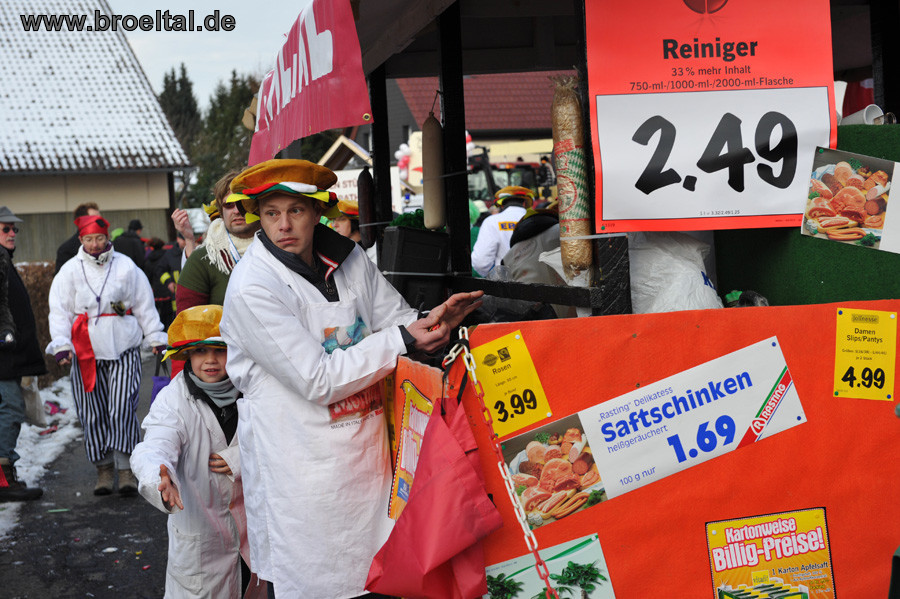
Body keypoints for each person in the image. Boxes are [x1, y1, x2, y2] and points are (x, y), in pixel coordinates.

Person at [219, 159, 483, 598]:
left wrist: (430, 326)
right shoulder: (253, 286)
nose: (283, 225)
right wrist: (402, 338)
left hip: (367, 456)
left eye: (295, 211)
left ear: (316, 211)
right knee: (315, 580)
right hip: (299, 467)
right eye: (271, 213)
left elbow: (395, 320)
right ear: (258, 217)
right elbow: (317, 379)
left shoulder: (349, 258)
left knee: (379, 575)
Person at [131, 305, 263, 599]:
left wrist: (241, 458)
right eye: (201, 351)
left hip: (256, 539)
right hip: (202, 548)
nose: (211, 360)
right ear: (187, 354)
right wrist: (159, 475)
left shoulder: (257, 390)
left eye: (220, 350)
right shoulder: (173, 401)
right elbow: (155, 445)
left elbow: (281, 437)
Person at [46, 214, 167, 495]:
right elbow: (59, 311)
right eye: (89, 239)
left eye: (99, 238)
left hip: (123, 346)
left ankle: (126, 469)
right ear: (81, 240)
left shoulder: (126, 266)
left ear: (108, 237)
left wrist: (155, 336)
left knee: (122, 407)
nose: (95, 244)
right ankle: (103, 468)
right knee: (92, 412)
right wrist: (61, 344)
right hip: (85, 350)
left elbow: (144, 304)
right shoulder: (69, 271)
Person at [0, 207, 45, 501]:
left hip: (10, 355)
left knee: (9, 409)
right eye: (5, 228)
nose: (12, 233)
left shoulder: (5, 259)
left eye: (14, 229)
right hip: (5, 356)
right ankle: (3, 480)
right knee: (10, 409)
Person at [176, 172, 259, 312]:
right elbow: (187, 321)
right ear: (221, 211)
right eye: (229, 205)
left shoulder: (281, 248)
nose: (237, 211)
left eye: (243, 203)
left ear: (257, 206)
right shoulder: (202, 259)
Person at [471, 185, 533, 277]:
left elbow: (481, 262)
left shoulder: (492, 221)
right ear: (524, 203)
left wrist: (495, 276)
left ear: (502, 205)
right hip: (537, 281)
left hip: (504, 282)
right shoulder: (537, 220)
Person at [55, 202, 102, 275]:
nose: (100, 223)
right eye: (95, 219)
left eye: (100, 219)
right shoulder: (66, 250)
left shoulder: (109, 246)